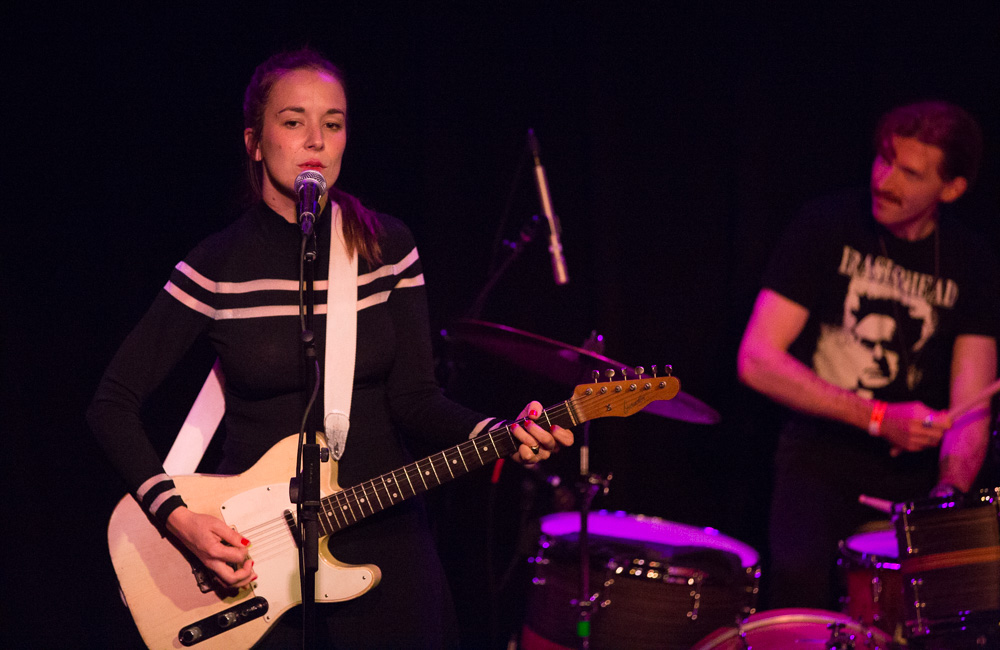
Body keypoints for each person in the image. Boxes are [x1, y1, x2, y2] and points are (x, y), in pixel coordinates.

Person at [87, 48, 573, 648]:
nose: (315, 139)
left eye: (333, 123)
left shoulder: (386, 248)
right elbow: (112, 401)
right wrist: (179, 520)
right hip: (257, 563)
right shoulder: (216, 265)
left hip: (389, 545)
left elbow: (418, 399)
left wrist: (498, 432)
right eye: (293, 122)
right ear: (255, 141)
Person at [737, 100, 999, 611]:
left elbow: (973, 405)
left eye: (909, 172)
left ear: (952, 188)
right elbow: (757, 359)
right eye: (883, 160)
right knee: (799, 591)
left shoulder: (973, 263)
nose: (884, 180)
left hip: (918, 474)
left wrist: (950, 488)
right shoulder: (826, 224)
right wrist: (878, 418)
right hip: (820, 455)